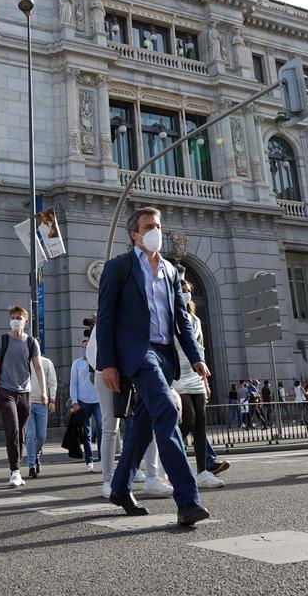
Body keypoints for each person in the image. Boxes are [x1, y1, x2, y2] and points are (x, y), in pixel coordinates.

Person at [96, 206, 210, 526]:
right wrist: (108, 364)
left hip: (165, 353)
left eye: (158, 225)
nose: (155, 231)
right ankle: (188, 501)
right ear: (135, 234)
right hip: (138, 354)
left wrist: (196, 356)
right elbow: (105, 319)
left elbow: (182, 321)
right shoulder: (118, 268)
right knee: (167, 410)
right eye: (149, 226)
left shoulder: (172, 271)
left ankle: (120, 487)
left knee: (146, 423)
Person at [88, 314, 171, 500]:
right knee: (111, 427)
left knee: (148, 422)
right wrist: (110, 367)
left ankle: (152, 477)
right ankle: (108, 481)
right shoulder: (107, 315)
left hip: (134, 372)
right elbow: (93, 352)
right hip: (106, 373)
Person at [0, 305, 48, 487]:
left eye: (19, 317)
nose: (16, 320)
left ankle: (18, 468)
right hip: (6, 392)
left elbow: (38, 368)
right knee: (13, 429)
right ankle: (14, 471)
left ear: (26, 320)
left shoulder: (31, 342)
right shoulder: (2, 341)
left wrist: (44, 392)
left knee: (22, 433)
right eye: (13, 317)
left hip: (25, 393)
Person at [175, 279, 223, 489]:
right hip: (178, 374)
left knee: (201, 422)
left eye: (188, 291)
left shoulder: (195, 319)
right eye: (182, 291)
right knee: (188, 419)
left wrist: (206, 382)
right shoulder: (172, 317)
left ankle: (202, 471)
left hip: (196, 374)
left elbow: (200, 350)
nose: (186, 295)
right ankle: (166, 452)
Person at [69, 328, 102, 473]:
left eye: (88, 346)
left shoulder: (99, 361)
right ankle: (89, 461)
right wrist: (75, 402)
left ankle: (102, 459)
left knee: (102, 429)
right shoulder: (77, 364)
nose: (85, 349)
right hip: (83, 401)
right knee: (86, 433)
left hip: (98, 400)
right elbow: (73, 383)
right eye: (83, 347)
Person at [26, 349, 57, 478]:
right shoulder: (25, 362)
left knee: (41, 436)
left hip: (42, 404)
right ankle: (31, 465)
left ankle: (36, 454)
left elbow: (52, 383)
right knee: (30, 435)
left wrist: (52, 400)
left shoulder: (47, 362)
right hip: (27, 403)